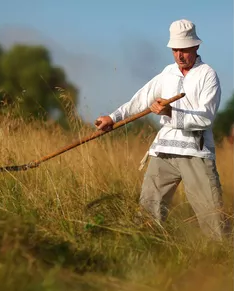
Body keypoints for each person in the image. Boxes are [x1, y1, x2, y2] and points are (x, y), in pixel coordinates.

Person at [95, 19, 225, 241]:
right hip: (163, 150)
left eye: (184, 49)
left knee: (213, 219)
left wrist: (169, 112)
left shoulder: (207, 75)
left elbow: (206, 118)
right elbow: (140, 99)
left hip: (196, 152)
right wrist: (113, 118)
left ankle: (221, 263)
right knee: (148, 212)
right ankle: (145, 251)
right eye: (175, 50)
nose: (179, 56)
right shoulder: (167, 73)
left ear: (196, 47)